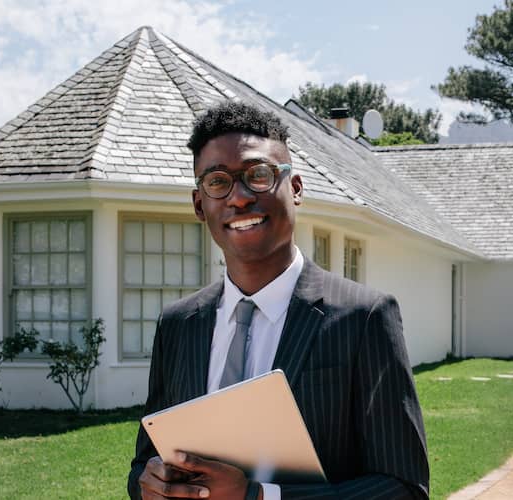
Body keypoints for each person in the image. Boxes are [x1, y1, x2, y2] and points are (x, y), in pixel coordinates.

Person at [128, 101, 429, 500]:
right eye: (218, 182)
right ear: (200, 204)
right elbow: (144, 464)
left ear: (296, 188)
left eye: (258, 175)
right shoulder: (178, 324)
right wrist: (148, 485)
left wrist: (259, 497)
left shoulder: (363, 317)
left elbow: (404, 489)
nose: (238, 198)